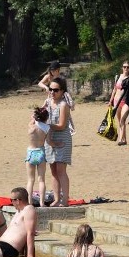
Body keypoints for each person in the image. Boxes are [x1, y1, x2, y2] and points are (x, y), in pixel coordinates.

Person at [45, 76, 72, 206]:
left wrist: (47, 125)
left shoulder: (63, 105)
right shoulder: (48, 102)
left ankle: (65, 199)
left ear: (62, 91)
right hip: (50, 138)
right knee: (53, 171)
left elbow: (61, 125)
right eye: (50, 89)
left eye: (56, 90)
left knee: (61, 170)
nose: (52, 92)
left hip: (62, 138)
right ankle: (56, 198)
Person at [107, 60, 129, 145]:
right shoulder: (117, 77)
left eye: (128, 67)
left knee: (122, 120)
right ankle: (124, 140)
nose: (126, 69)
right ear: (122, 68)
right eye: (124, 67)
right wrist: (110, 101)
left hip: (126, 102)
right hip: (116, 102)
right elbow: (114, 89)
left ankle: (121, 139)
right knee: (120, 121)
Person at [26, 107, 49, 207]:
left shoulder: (31, 126)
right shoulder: (46, 128)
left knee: (30, 180)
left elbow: (32, 120)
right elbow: (49, 141)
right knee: (41, 180)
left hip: (31, 152)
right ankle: (42, 202)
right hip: (40, 152)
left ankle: (29, 202)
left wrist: (33, 117)